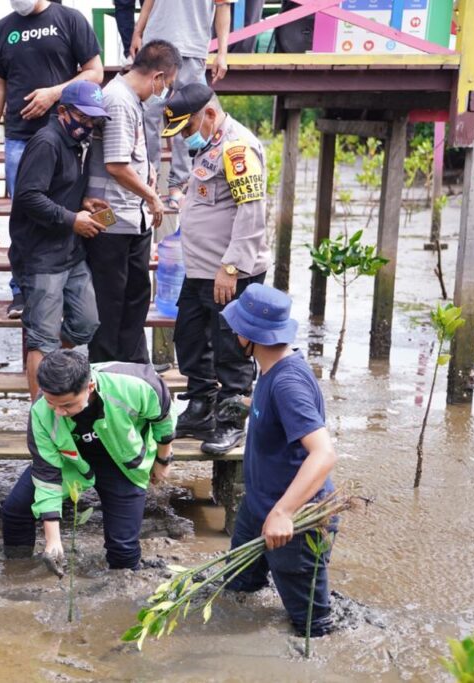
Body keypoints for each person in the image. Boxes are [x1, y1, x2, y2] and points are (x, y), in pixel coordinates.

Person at [220, 284, 337, 637]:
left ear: (248, 335)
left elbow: (324, 453)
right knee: (237, 589)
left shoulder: (288, 383)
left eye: (235, 327)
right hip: (258, 509)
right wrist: (246, 405)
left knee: (312, 627)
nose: (231, 332)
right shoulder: (271, 367)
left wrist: (284, 513)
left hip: (295, 521)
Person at [163, 83, 270, 456]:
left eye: (187, 129)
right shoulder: (209, 145)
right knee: (189, 337)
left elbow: (252, 213)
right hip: (200, 270)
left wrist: (232, 266)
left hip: (230, 271)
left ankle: (230, 421)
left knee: (231, 347)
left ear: (208, 114)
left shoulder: (237, 148)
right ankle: (199, 406)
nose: (185, 138)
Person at [0, 0, 103, 319]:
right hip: (20, 136)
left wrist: (55, 92)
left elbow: (95, 72)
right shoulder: (3, 29)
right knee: (24, 212)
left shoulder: (69, 19)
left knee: (68, 206)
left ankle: (69, 281)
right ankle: (20, 287)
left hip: (65, 132)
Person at [1, 350, 176, 573]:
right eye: (51, 403)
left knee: (122, 548)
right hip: (71, 461)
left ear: (89, 387)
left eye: (66, 405)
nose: (58, 412)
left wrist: (163, 459)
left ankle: (123, 590)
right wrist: (53, 541)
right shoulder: (41, 411)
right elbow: (47, 474)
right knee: (15, 510)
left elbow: (162, 417)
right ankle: (17, 570)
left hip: (121, 461)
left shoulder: (134, 384)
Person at [9, 81, 110, 400]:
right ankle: (42, 417)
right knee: (42, 339)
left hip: (71, 253)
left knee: (87, 323)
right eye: (84, 117)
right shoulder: (47, 142)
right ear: (63, 112)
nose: (89, 125)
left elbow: (61, 190)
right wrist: (72, 219)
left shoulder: (80, 142)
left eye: (94, 120)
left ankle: (52, 362)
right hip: (40, 257)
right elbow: (27, 196)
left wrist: (85, 206)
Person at [84, 39, 180, 365]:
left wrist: (150, 176)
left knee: (135, 296)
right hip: (111, 219)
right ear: (158, 76)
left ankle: (135, 367)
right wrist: (152, 196)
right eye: (166, 84)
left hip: (131, 218)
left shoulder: (132, 100)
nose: (164, 91)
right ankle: (107, 372)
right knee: (110, 303)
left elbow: (133, 158)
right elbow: (116, 164)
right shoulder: (118, 101)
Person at [131, 0, 233, 209]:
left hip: (192, 47)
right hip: (156, 46)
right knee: (148, 118)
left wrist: (222, 53)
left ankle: (177, 186)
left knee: (187, 121)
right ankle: (147, 182)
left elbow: (223, 7)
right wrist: (137, 32)